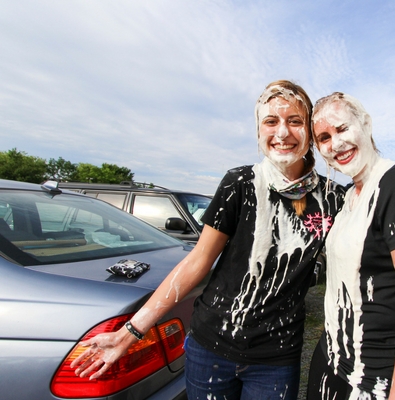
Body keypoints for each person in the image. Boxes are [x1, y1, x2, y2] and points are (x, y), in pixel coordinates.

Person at [70, 80, 346, 400]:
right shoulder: (239, 183)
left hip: (276, 358)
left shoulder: (332, 198)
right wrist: (130, 332)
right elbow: (197, 261)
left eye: (295, 121)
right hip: (210, 349)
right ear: (259, 130)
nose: (282, 132)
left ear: (310, 133)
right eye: (271, 121)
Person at [307, 92, 395, 399]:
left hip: (383, 375)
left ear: (366, 124)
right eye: (324, 138)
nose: (336, 144)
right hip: (335, 364)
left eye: (342, 129)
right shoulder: (347, 198)